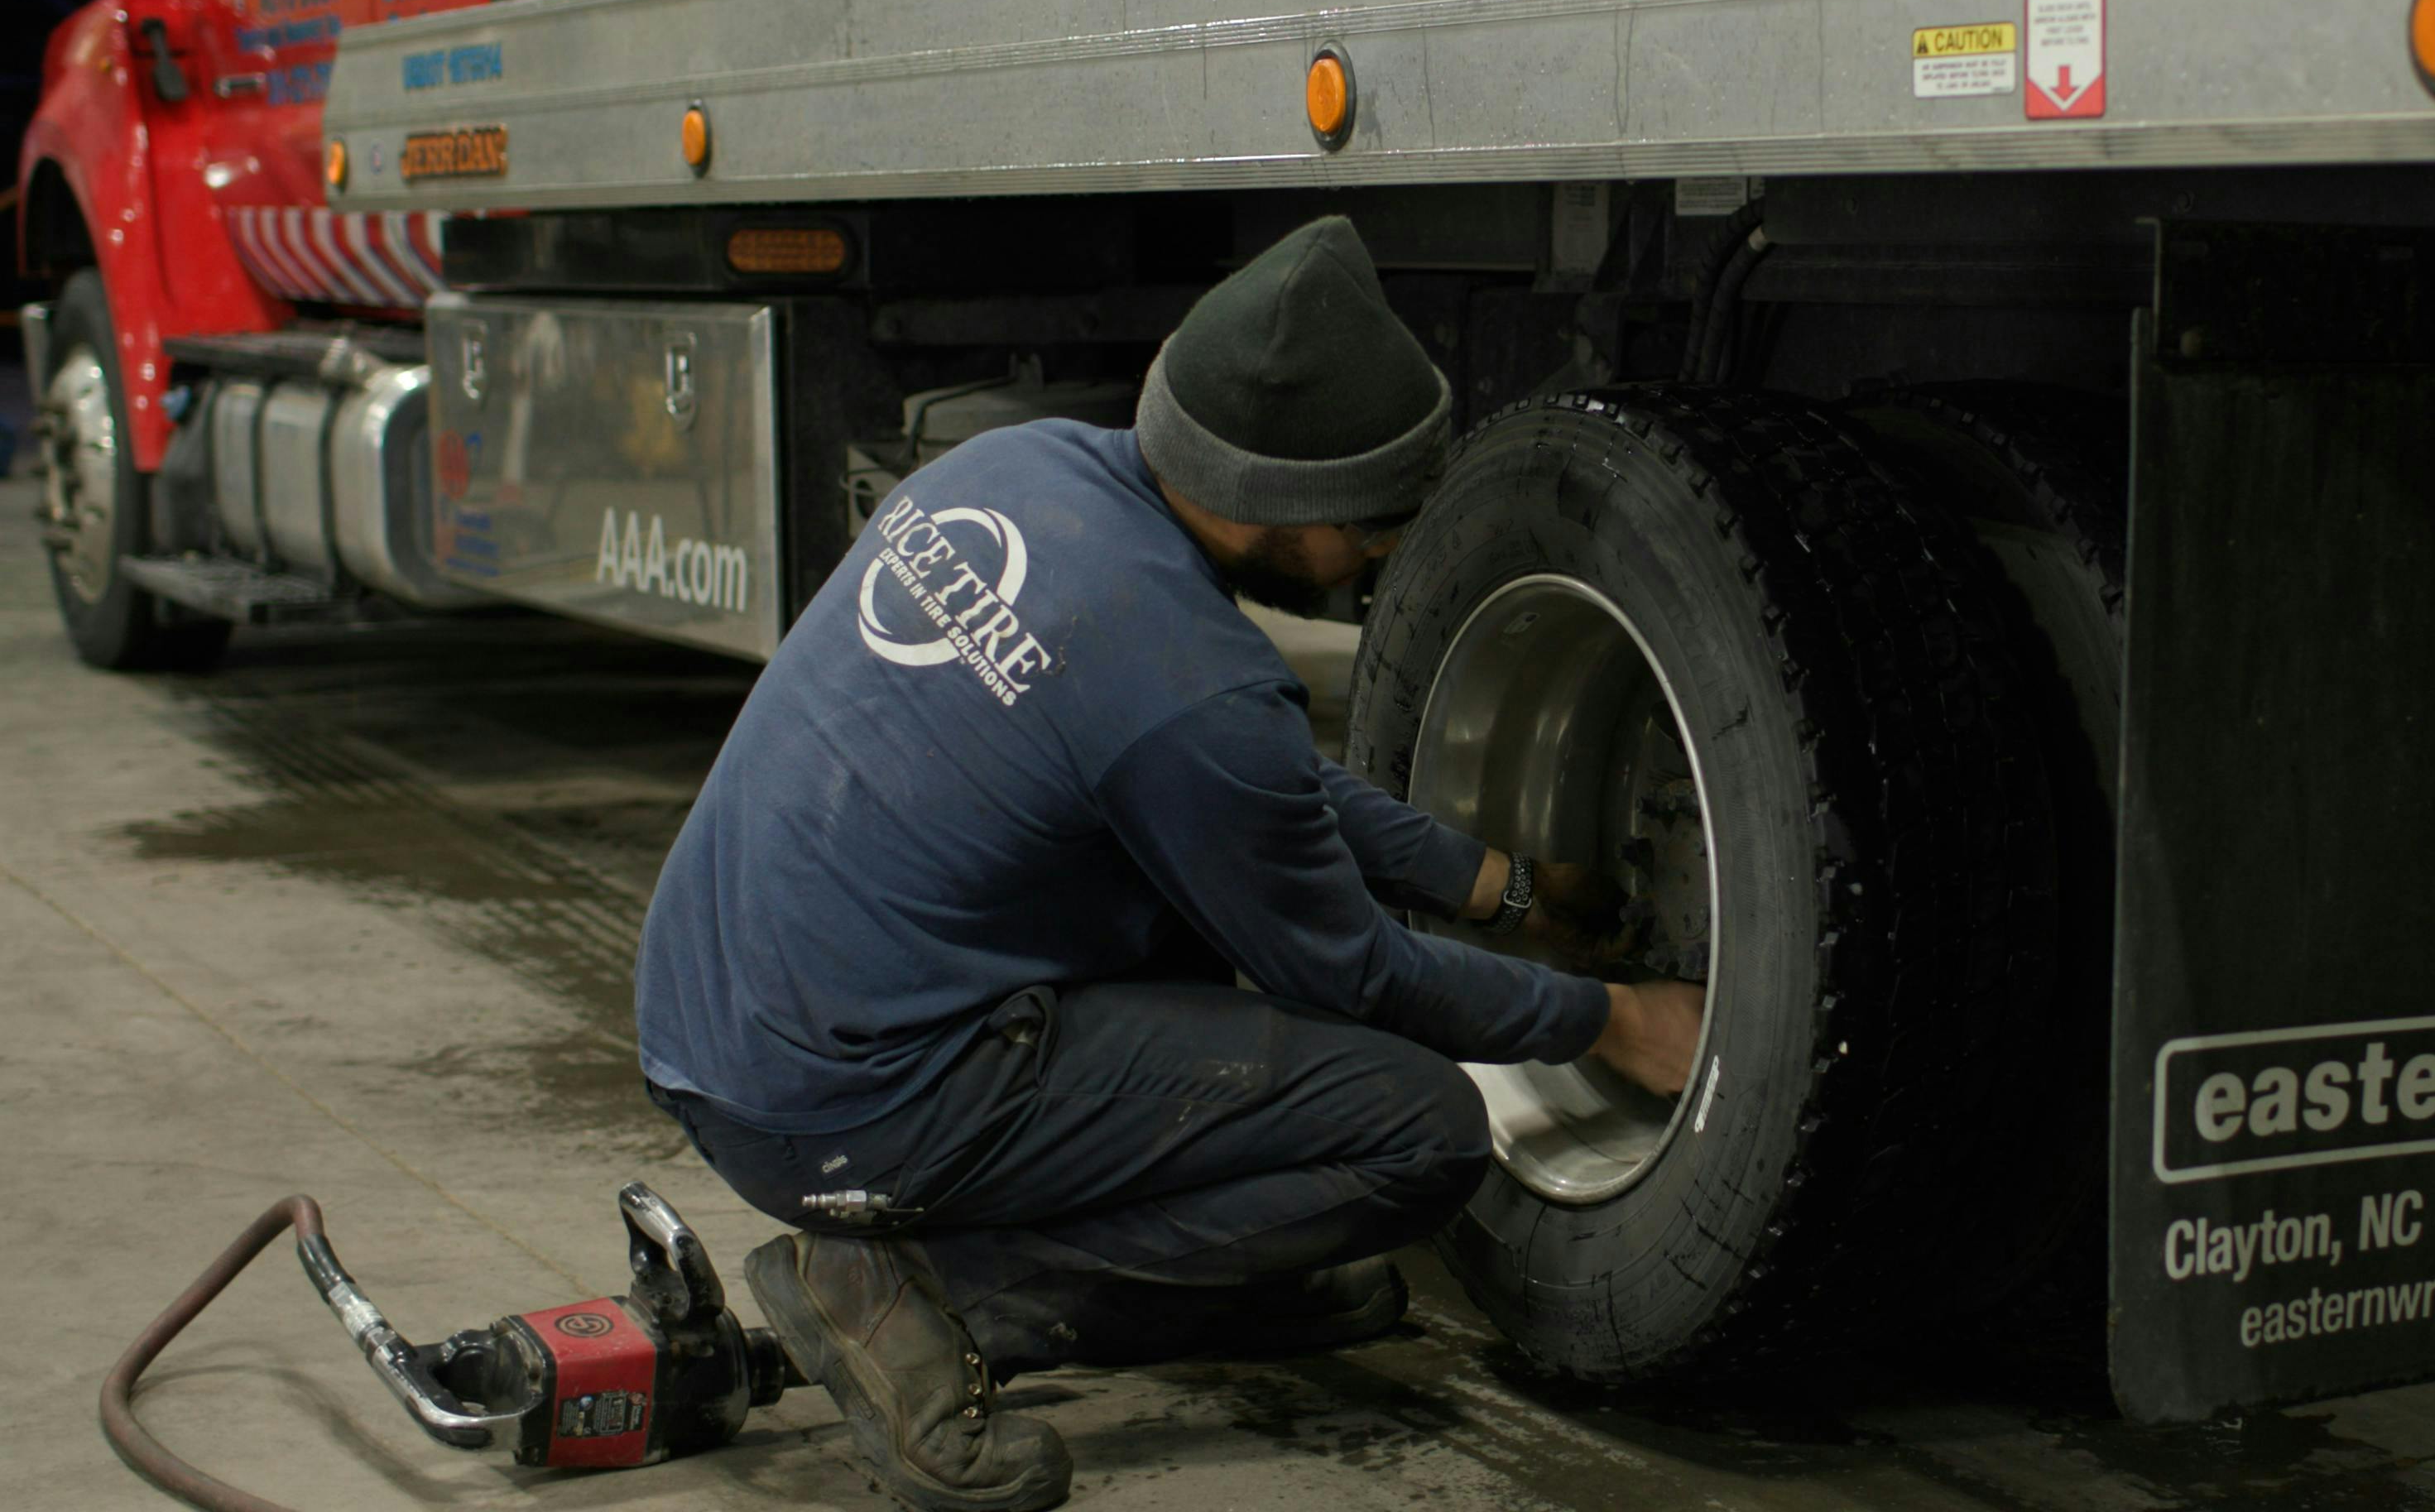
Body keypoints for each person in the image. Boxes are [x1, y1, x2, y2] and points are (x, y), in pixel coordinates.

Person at [634, 215, 1705, 1512]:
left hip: (714, 1022)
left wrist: (1497, 885)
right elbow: (1349, 971)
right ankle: (927, 1305)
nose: (1380, 551)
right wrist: (1608, 1019)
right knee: (1417, 1131)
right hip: (841, 1107)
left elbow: (1248, 790)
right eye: (1373, 520)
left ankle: (1221, 1275)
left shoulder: (1017, 470)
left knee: (1193, 951)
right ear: (1287, 505)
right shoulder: (1193, 685)